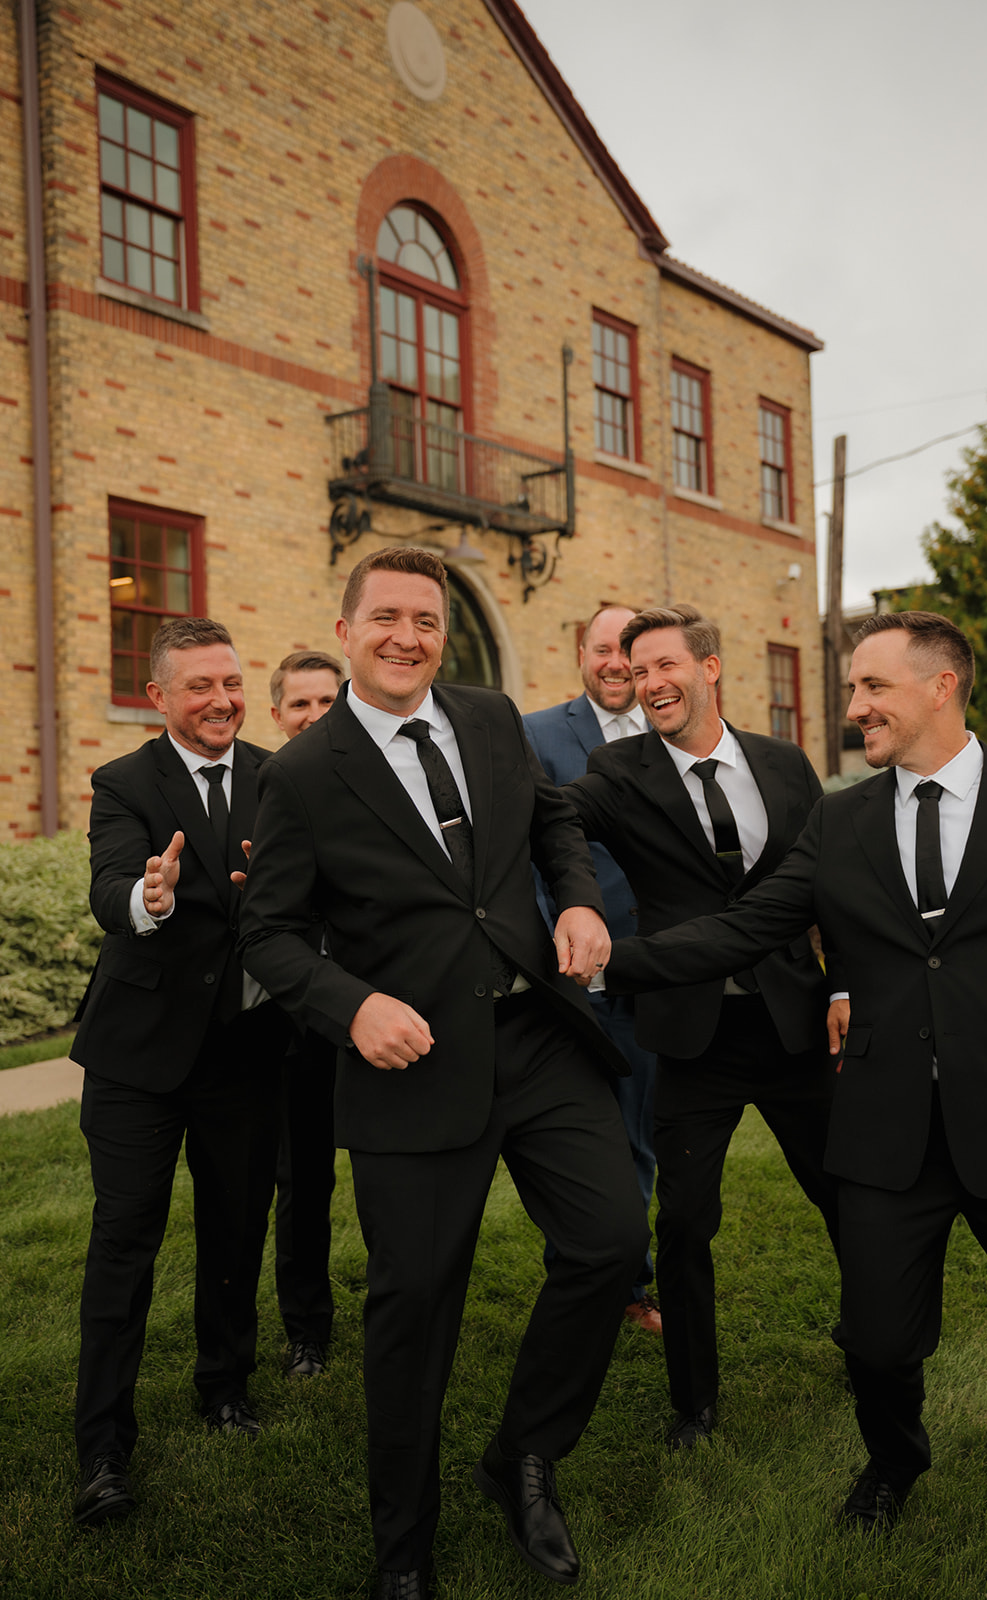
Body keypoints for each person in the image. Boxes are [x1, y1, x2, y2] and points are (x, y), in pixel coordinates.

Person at [606, 611, 987, 1594]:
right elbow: (745, 927)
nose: (852, 707)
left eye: (870, 687)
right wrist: (611, 960)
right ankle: (894, 1457)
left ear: (940, 686)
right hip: (885, 1125)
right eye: (850, 687)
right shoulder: (842, 818)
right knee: (875, 1340)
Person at [237, 546, 647, 1600]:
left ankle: (521, 1453)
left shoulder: (486, 717)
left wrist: (583, 902)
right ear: (347, 626)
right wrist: (351, 1005)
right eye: (386, 617)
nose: (407, 636)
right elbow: (270, 932)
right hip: (411, 1061)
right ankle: (403, 1550)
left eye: (424, 618)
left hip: (536, 1039)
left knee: (607, 1243)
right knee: (414, 1307)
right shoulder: (302, 771)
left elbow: (554, 819)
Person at [565, 603, 837, 1449]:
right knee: (683, 1225)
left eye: (663, 666)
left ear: (709, 668)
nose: (647, 683)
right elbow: (552, 823)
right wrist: (575, 899)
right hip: (692, 1037)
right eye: (634, 669)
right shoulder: (617, 771)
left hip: (794, 1025)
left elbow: (839, 884)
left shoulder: (786, 765)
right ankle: (694, 1401)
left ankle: (874, 1335)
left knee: (850, 1196)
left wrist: (845, 987)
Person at [70, 618, 287, 1528]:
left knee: (236, 1232)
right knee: (127, 1238)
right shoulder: (124, 782)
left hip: (244, 1053)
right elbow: (111, 885)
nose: (221, 701)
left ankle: (225, 1386)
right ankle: (103, 1448)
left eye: (231, 682)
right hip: (138, 1057)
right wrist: (145, 897)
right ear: (158, 697)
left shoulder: (280, 779)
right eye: (198, 686)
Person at [523, 604, 661, 1335]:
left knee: (640, 1133)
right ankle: (583, 1282)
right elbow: (529, 853)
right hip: (574, 977)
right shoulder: (539, 735)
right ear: (579, 652)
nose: (615, 662)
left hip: (659, 973)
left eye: (628, 651)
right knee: (582, 1142)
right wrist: (558, 941)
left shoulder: (670, 734)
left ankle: (629, 1285)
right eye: (602, 648)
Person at [269, 650, 345, 1378]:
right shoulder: (263, 792)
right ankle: (306, 1331)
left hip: (378, 1014)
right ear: (279, 717)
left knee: (399, 1176)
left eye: (329, 702)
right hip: (296, 1027)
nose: (316, 717)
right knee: (304, 1183)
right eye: (302, 705)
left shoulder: (373, 784)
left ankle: (405, 1305)